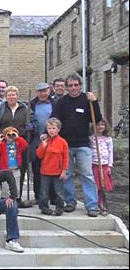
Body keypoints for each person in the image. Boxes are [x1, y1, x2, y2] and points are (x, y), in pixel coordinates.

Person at [51, 73, 101, 217]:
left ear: (80, 85)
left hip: (83, 144)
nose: (73, 88)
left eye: (76, 85)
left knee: (87, 175)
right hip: (66, 144)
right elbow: (54, 119)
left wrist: (95, 101)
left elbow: (97, 119)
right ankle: (70, 202)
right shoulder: (62, 102)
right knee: (67, 175)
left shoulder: (87, 100)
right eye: (71, 85)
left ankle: (92, 205)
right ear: (67, 87)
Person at [36, 117, 69, 216]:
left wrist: (64, 170)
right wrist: (43, 145)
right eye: (49, 128)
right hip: (45, 171)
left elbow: (66, 158)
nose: (51, 130)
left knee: (59, 192)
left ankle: (60, 208)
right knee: (44, 192)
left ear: (58, 129)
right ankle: (44, 207)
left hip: (57, 172)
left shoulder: (63, 142)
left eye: (53, 128)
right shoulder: (45, 141)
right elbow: (39, 155)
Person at [30, 82, 56, 204]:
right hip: (36, 141)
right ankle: (38, 195)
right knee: (37, 170)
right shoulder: (32, 104)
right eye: (40, 91)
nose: (42, 93)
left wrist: (48, 132)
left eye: (45, 91)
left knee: (51, 168)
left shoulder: (54, 104)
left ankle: (52, 196)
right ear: (37, 93)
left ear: (49, 91)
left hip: (51, 140)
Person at [0, 126, 28, 200]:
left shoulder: (18, 143)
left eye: (13, 134)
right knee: (5, 186)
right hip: (5, 169)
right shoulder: (3, 144)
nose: (11, 136)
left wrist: (18, 137)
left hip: (16, 168)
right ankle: (5, 199)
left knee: (16, 184)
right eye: (8, 135)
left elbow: (25, 145)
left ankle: (16, 199)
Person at [90, 118, 114, 216]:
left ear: (105, 126)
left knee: (103, 185)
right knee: (95, 185)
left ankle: (103, 203)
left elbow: (111, 152)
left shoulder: (108, 139)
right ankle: (95, 203)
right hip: (94, 164)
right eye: (98, 124)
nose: (100, 127)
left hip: (104, 165)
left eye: (102, 125)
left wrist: (109, 165)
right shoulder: (91, 138)